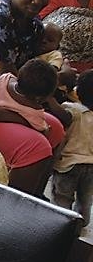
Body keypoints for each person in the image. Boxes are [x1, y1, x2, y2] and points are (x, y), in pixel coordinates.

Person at [0, 59, 70, 196]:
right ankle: (13, 202)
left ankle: (36, 195)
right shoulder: (33, 111)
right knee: (40, 146)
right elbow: (43, 129)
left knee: (57, 128)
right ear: (40, 98)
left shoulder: (5, 78)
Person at [51, 70, 93, 228]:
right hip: (91, 166)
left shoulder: (73, 110)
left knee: (62, 198)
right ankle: (80, 225)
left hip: (68, 165)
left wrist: (50, 97)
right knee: (86, 199)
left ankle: (59, 226)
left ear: (78, 92)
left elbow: (59, 112)